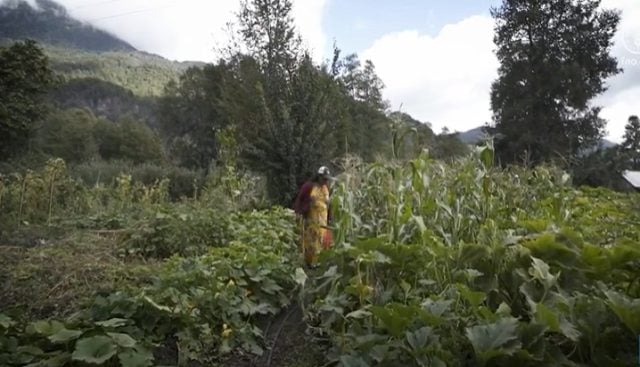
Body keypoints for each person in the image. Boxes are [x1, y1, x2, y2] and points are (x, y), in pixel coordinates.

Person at [294, 166, 332, 269]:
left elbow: (329, 205)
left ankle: (318, 262)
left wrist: (330, 218)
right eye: (323, 179)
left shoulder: (325, 189)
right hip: (312, 219)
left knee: (321, 240)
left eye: (326, 179)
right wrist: (299, 212)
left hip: (322, 220)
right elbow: (300, 199)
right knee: (311, 240)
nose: (325, 181)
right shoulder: (309, 187)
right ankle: (309, 263)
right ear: (318, 177)